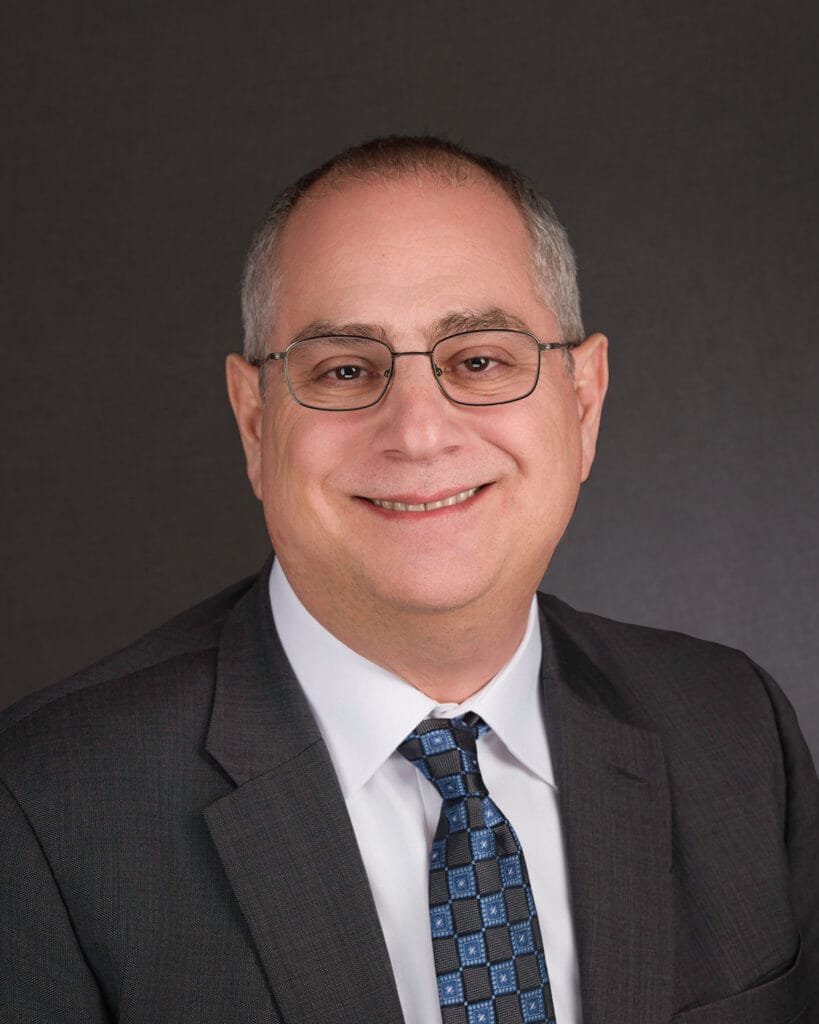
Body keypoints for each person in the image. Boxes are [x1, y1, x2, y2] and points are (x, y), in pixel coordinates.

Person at [1, 136, 816, 1024]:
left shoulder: (734, 728)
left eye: (479, 360)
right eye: (345, 371)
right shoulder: (43, 809)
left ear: (582, 405)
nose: (418, 433)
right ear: (254, 423)